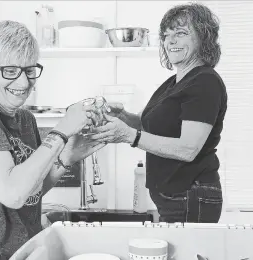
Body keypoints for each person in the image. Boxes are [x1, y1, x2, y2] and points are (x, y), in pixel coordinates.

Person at [0, 20, 104, 260]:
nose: (23, 81)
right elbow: (13, 193)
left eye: (30, 71)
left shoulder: (26, 120)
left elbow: (31, 191)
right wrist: (62, 130)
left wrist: (68, 154)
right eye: (10, 70)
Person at [90, 2, 228, 223]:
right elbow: (152, 127)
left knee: (187, 258)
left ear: (204, 38)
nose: (170, 40)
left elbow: (188, 149)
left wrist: (128, 136)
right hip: (174, 196)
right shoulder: (174, 82)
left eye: (181, 33)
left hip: (191, 195)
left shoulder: (205, 81)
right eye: (166, 34)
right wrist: (124, 117)